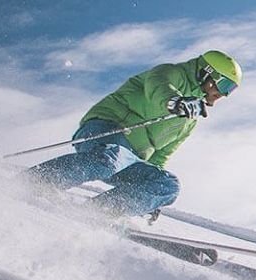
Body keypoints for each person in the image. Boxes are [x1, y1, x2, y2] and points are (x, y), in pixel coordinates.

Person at [26, 50, 241, 217]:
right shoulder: (171, 73)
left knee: (168, 185)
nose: (219, 97)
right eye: (222, 88)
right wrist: (175, 102)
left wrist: (151, 198)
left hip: (129, 159)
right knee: (109, 158)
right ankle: (37, 181)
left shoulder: (190, 119)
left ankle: (97, 214)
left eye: (228, 92)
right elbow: (158, 87)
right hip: (105, 130)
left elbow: (161, 156)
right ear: (209, 73)